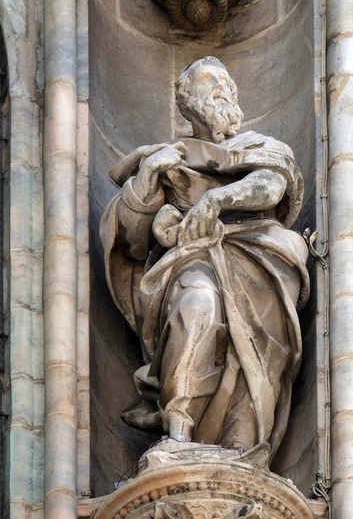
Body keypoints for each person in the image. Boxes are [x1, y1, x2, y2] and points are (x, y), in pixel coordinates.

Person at [100, 57, 309, 459]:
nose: (222, 90)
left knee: (259, 346)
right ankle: (178, 431)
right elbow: (129, 240)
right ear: (186, 101)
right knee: (196, 305)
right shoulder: (168, 158)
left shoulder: (261, 146)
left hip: (258, 256)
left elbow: (271, 186)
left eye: (226, 84)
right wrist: (144, 185)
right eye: (210, 83)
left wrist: (218, 198)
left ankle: (242, 448)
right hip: (194, 256)